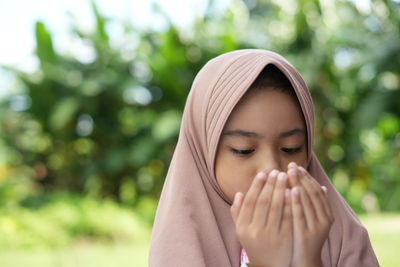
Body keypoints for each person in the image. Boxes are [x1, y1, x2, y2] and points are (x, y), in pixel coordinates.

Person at [149, 49, 379, 267]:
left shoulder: (339, 233)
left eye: (291, 148)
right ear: (203, 151)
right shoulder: (181, 244)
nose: (271, 169)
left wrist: (308, 260)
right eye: (244, 150)